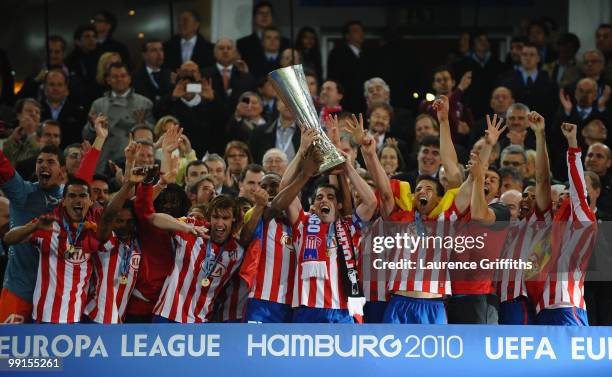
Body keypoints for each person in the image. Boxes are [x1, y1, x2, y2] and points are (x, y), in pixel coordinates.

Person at [271, 127, 377, 323]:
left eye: (329, 197)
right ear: (313, 204)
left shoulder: (349, 227)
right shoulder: (302, 223)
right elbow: (285, 188)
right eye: (319, 197)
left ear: (337, 205)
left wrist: (346, 166)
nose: (323, 200)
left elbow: (371, 202)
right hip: (307, 310)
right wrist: (302, 152)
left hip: (343, 311)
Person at [3, 178, 98, 323]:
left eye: (83, 196)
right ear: (63, 201)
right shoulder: (49, 224)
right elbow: (9, 239)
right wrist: (33, 227)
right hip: (44, 318)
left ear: (90, 201)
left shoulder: (95, 230)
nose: (77, 200)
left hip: (76, 318)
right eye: (72, 196)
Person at [530, 122, 597, 326]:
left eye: (568, 195)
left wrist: (572, 143)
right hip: (542, 308)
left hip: (567, 306)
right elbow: (542, 182)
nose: (564, 199)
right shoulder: (555, 229)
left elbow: (578, 189)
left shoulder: (584, 221)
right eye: (561, 195)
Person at [147, 193, 246, 323]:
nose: (219, 223)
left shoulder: (237, 252)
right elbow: (154, 218)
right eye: (215, 217)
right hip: (167, 315)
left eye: (225, 218)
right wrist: (186, 228)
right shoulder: (193, 226)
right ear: (209, 217)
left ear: (233, 219)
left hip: (200, 322)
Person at [82, 62, 154, 174]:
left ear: (130, 78)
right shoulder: (98, 105)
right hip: (103, 162)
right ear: (108, 79)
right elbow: (86, 136)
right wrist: (93, 126)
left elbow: (154, 135)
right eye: (115, 76)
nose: (119, 79)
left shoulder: (144, 104)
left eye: (123, 76)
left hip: (134, 164)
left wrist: (142, 124)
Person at [154, 61, 218, 156]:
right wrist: (172, 97)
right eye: (185, 71)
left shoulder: (208, 100)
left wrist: (212, 100)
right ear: (178, 73)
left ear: (199, 76)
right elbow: (156, 113)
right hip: (175, 153)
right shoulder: (169, 98)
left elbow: (221, 123)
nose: (189, 74)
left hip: (205, 154)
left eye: (193, 71)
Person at [203, 38, 257, 125]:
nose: (225, 51)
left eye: (229, 48)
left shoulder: (247, 78)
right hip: (209, 126)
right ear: (214, 53)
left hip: (239, 128)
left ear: (235, 53)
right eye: (221, 48)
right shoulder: (203, 75)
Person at [499, 43, 558, 122]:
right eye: (524, 54)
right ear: (520, 57)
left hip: (541, 128)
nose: (528, 58)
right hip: (515, 126)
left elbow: (553, 110)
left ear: (538, 58)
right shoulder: (507, 81)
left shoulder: (551, 84)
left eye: (532, 55)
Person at [419, 66, 473, 145]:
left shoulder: (462, 106)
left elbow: (470, 129)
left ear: (453, 82)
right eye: (438, 80)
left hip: (457, 147)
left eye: (446, 79)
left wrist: (468, 131)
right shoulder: (426, 105)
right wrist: (460, 89)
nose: (442, 82)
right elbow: (443, 111)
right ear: (433, 85)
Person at [237, 1, 290, 80]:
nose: (264, 16)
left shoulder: (286, 43)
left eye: (268, 13)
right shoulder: (243, 43)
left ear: (272, 16)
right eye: (260, 13)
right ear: (254, 17)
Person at [327, 20, 371, 114]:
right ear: (347, 35)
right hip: (346, 103)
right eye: (356, 31)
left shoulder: (367, 54)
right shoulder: (338, 53)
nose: (360, 33)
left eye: (361, 31)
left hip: (363, 103)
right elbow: (334, 79)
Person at [40, 68, 86, 148]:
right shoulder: (36, 110)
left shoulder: (78, 112)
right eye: (51, 84)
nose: (55, 88)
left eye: (59, 85)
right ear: (45, 87)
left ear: (66, 88)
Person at [249, 99, 300, 164]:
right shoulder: (259, 131)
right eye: (285, 101)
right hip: (267, 173)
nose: (289, 105)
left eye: (293, 102)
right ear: (277, 104)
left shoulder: (306, 134)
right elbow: (253, 159)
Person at [65, 24, 101, 108]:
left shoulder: (101, 59)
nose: (92, 40)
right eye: (87, 37)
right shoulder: (70, 61)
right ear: (77, 41)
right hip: (77, 104)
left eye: (94, 36)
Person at [133, 39, 173, 106]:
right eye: (154, 50)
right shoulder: (135, 77)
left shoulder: (170, 74)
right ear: (144, 55)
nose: (159, 54)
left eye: (161, 50)